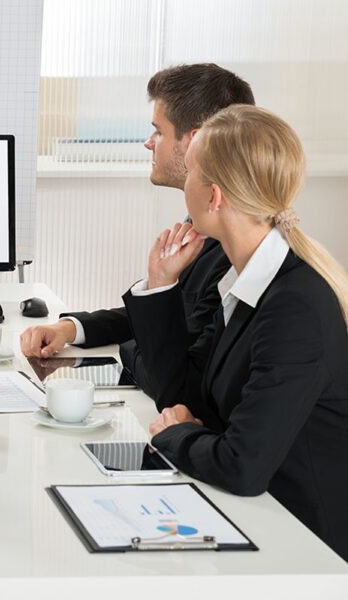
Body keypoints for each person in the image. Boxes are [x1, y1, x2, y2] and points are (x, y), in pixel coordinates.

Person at [123, 105, 348, 560]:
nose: (183, 183)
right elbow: (186, 395)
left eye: (190, 173)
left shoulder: (294, 306)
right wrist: (162, 287)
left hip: (305, 543)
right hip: (258, 517)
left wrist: (175, 434)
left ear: (215, 196)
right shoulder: (248, 283)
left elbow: (241, 465)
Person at [20, 64, 254, 398]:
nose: (149, 143)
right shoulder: (201, 225)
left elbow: (171, 365)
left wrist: (132, 347)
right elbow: (161, 319)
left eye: (158, 131)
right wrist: (72, 328)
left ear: (196, 139)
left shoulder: (235, 251)